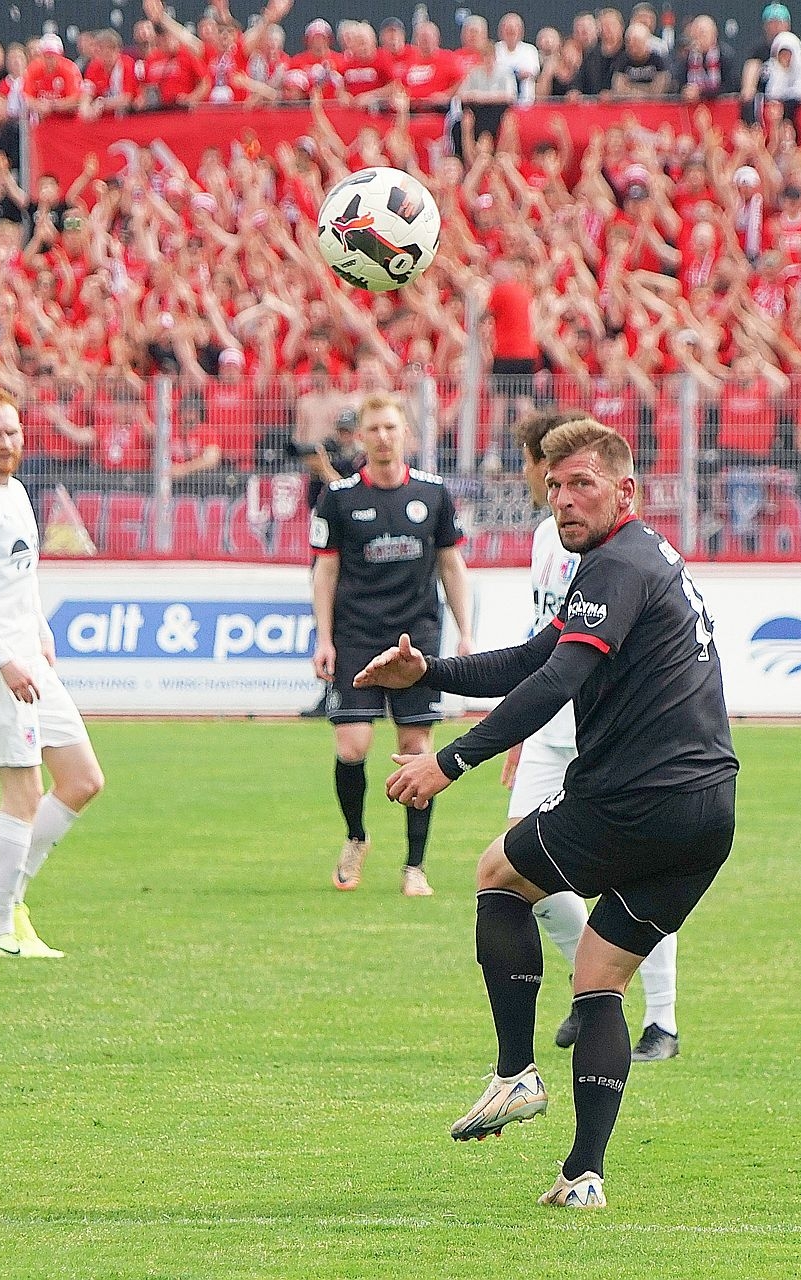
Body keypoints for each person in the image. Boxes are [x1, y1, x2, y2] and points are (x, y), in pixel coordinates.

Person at [354, 418, 738, 1209]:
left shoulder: (616, 565)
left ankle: (515, 1073)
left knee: (498, 873)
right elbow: (536, 656)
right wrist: (430, 672)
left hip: (637, 797)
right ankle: (583, 1176)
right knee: (599, 978)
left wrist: (449, 761)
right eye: (555, 486)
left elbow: (556, 681)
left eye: (582, 484)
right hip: (708, 812)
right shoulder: (640, 557)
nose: (563, 499)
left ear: (625, 491)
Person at [506, 410, 684, 1063]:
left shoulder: (613, 547)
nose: (549, 489)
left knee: (635, 874)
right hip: (548, 726)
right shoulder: (543, 538)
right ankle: (594, 989)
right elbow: (541, 636)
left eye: (556, 476)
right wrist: (518, 724)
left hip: (606, 725)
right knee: (518, 864)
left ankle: (661, 1020)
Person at [0, 386, 106, 961]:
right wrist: (3, 659)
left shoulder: (16, 492)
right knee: (24, 792)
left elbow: (22, 572)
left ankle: (4, 893)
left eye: (12, 431)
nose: (5, 442)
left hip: (28, 656)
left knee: (82, 779)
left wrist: (40, 631)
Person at [311, 391, 473, 897]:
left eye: (390, 427)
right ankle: (356, 837)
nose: (383, 437)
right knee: (352, 745)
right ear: (360, 437)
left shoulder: (434, 494)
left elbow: (451, 565)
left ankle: (414, 866)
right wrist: (324, 638)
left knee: (415, 749)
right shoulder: (339, 498)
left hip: (414, 640)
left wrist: (466, 631)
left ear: (406, 433)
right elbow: (325, 571)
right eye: (373, 429)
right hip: (356, 636)